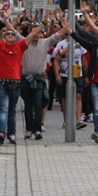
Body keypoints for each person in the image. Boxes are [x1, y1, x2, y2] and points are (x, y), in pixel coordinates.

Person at [0, 19, 43, 145]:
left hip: (16, 84)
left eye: (13, 34)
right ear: (4, 38)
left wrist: (43, 23)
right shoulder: (0, 46)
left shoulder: (20, 46)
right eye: (8, 34)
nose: (11, 35)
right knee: (4, 109)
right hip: (2, 83)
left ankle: (12, 134)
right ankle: (1, 133)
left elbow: (33, 34)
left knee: (12, 110)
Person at [20, 12, 68, 140]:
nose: (36, 35)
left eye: (39, 32)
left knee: (39, 103)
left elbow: (58, 35)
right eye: (34, 32)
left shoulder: (45, 43)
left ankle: (38, 128)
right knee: (28, 105)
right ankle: (29, 129)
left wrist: (65, 26)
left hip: (40, 78)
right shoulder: (23, 43)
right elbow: (13, 31)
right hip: (26, 78)